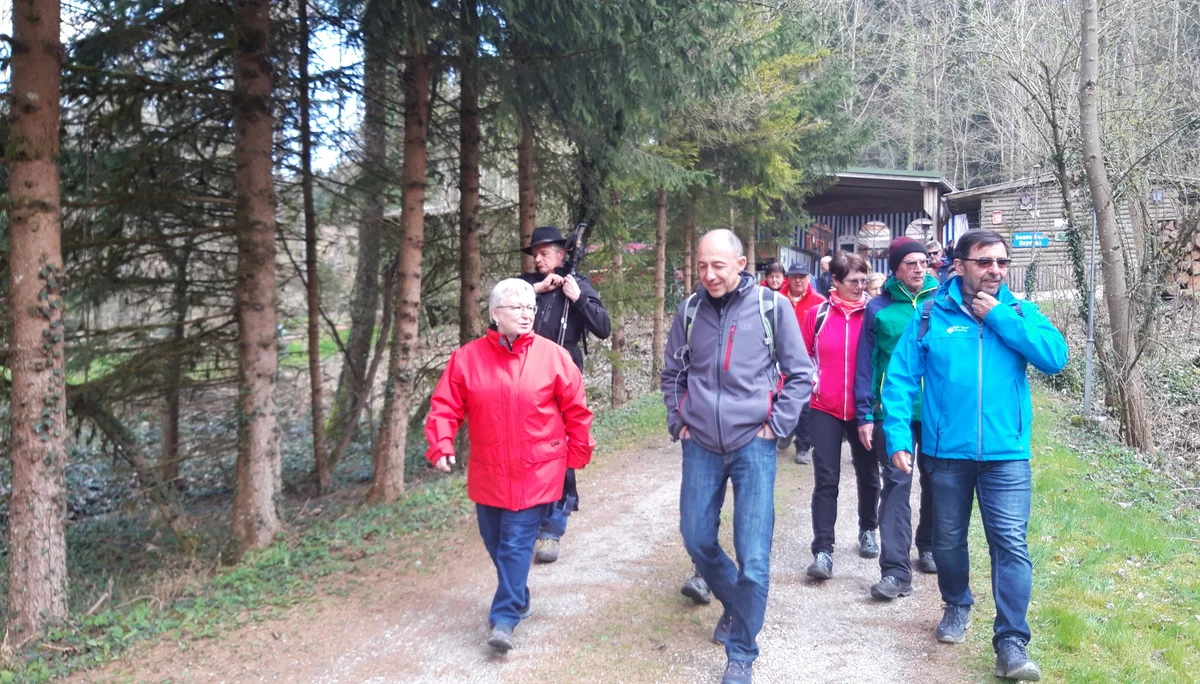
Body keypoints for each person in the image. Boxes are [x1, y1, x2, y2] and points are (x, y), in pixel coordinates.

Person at [882, 229, 1067, 681]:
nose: (995, 270)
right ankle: (956, 604)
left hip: (1007, 454)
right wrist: (898, 437)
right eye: (984, 261)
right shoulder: (930, 314)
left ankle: (1011, 642)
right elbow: (901, 377)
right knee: (947, 540)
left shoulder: (1019, 311)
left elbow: (1055, 358)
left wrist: (1002, 318)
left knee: (1010, 545)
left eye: (1002, 262)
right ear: (959, 264)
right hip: (948, 453)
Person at [662, 229, 813, 684]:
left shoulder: (772, 307)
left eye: (718, 266)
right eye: (702, 266)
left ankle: (741, 653)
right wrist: (679, 420)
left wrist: (777, 425)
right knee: (696, 538)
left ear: (741, 264)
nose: (708, 275)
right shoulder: (689, 311)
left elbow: (801, 373)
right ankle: (738, 604)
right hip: (702, 443)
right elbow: (672, 372)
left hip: (754, 444)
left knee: (754, 556)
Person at [425, 279, 595, 654]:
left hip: (538, 469)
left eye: (530, 308)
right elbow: (445, 406)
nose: (525, 314)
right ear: (494, 314)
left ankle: (504, 617)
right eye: (516, 307)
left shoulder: (553, 356)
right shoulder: (466, 358)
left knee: (516, 543)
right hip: (489, 471)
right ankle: (519, 595)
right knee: (494, 540)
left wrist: (578, 452)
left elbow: (577, 410)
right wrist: (441, 442)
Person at [519, 226, 612, 564]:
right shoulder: (525, 286)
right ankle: (528, 516)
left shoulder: (578, 284)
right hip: (523, 378)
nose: (538, 258)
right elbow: (499, 314)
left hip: (563, 376)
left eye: (545, 252)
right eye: (535, 252)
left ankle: (552, 528)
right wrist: (535, 290)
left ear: (562, 253)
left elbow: (603, 327)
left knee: (557, 448)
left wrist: (579, 298)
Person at [853, 237, 939, 603]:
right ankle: (894, 571)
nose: (919, 269)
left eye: (923, 263)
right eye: (910, 264)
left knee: (937, 482)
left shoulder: (943, 303)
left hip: (936, 411)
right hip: (893, 412)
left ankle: (929, 546)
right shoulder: (879, 308)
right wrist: (865, 412)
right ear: (896, 269)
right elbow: (866, 363)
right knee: (896, 485)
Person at [801, 251, 881, 580]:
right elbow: (802, 354)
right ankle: (823, 550)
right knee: (826, 478)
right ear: (835, 281)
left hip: (865, 408)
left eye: (864, 280)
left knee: (869, 474)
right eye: (853, 281)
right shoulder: (818, 314)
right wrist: (811, 382)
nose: (860, 287)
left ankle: (868, 529)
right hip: (826, 407)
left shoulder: (874, 313)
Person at [776, 262, 824, 465]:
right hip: (777, 360)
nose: (798, 280)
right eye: (794, 276)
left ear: (808, 278)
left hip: (805, 361)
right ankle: (785, 431)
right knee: (778, 399)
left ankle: (803, 446)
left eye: (802, 277)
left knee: (805, 405)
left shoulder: (819, 302)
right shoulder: (776, 299)